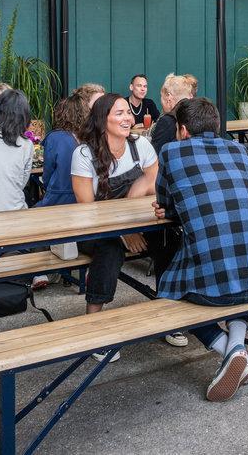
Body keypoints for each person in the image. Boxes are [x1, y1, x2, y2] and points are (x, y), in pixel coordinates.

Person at [152, 97, 248, 401]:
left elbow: (165, 202)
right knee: (238, 277)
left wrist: (169, 208)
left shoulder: (171, 152)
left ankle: (226, 348)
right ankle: (238, 346)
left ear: (182, 130)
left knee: (169, 294)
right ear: (218, 125)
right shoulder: (239, 151)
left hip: (219, 286)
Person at [70, 93, 161, 356]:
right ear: (102, 119)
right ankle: (94, 325)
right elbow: (87, 208)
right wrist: (123, 232)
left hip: (138, 225)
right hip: (94, 230)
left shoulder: (141, 145)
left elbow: (156, 186)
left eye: (128, 113)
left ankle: (169, 308)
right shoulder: (83, 154)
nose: (127, 118)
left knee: (170, 239)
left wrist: (134, 219)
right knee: (110, 248)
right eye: (119, 113)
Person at [36, 94, 91, 207]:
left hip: (59, 197)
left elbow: (47, 174)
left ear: (61, 113)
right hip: (85, 197)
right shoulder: (91, 137)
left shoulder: (55, 138)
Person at [150, 73, 196, 155]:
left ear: (169, 97)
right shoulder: (197, 115)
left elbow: (153, 155)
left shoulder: (166, 121)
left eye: (161, 96)